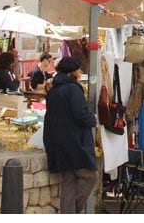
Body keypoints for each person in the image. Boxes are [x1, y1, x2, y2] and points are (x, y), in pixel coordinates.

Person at [43, 57, 98, 213]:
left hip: (59, 140)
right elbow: (80, 114)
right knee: (90, 176)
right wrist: (91, 120)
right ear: (72, 72)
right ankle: (74, 210)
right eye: (78, 70)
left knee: (68, 180)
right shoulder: (73, 89)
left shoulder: (54, 89)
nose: (80, 73)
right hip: (75, 140)